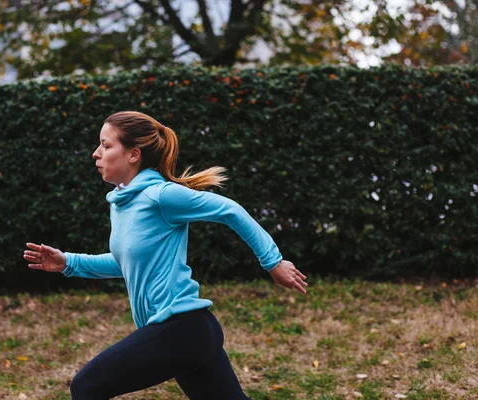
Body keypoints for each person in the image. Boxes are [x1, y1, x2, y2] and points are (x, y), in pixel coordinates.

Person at [23, 111, 308, 400]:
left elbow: (230, 210)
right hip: (191, 333)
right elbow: (127, 264)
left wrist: (273, 261)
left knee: (86, 387)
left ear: (133, 155)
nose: (96, 153)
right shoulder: (122, 203)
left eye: (106, 145)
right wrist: (68, 263)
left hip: (181, 330)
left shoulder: (161, 195)